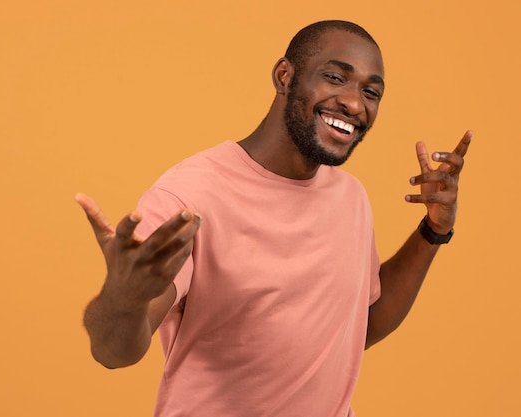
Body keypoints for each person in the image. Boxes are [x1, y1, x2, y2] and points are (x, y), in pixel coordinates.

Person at [75, 20, 472, 417]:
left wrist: (434, 230)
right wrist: (121, 298)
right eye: (335, 77)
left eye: (371, 92)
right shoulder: (189, 197)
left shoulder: (351, 197)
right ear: (285, 76)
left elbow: (359, 328)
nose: (354, 104)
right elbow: (113, 353)